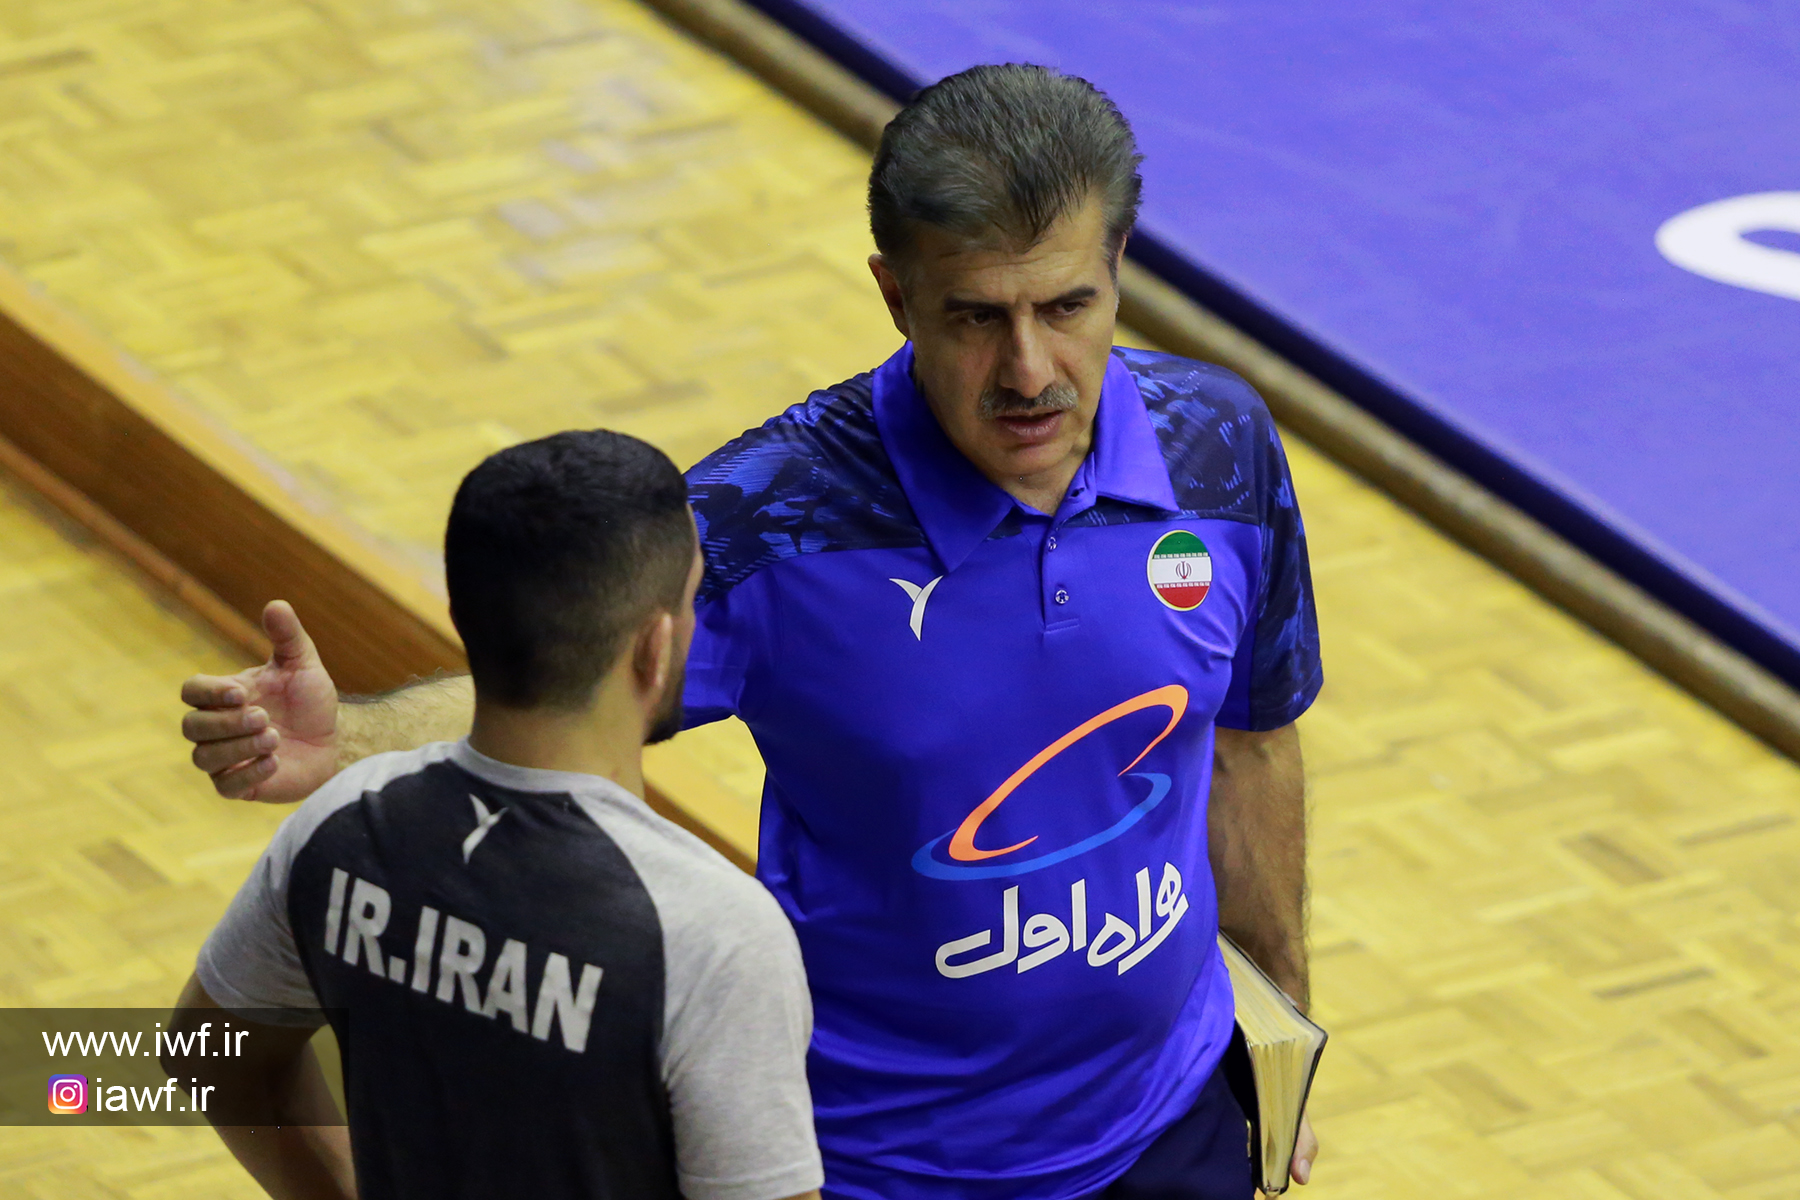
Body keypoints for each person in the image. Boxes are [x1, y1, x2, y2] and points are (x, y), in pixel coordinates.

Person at [179, 65, 1321, 1200]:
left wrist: (1286, 1032)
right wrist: (347, 744)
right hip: (874, 1173)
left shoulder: (1219, 448)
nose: (1029, 371)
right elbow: (561, 685)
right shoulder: (769, 518)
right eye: (977, 317)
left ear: (1118, 266)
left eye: (1065, 307)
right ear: (896, 294)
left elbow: (1253, 742)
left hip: (1171, 1132)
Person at [165, 432, 823, 1200]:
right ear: (656, 645)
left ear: (464, 615)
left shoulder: (339, 826)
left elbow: (211, 1057)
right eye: (690, 601)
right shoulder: (716, 935)